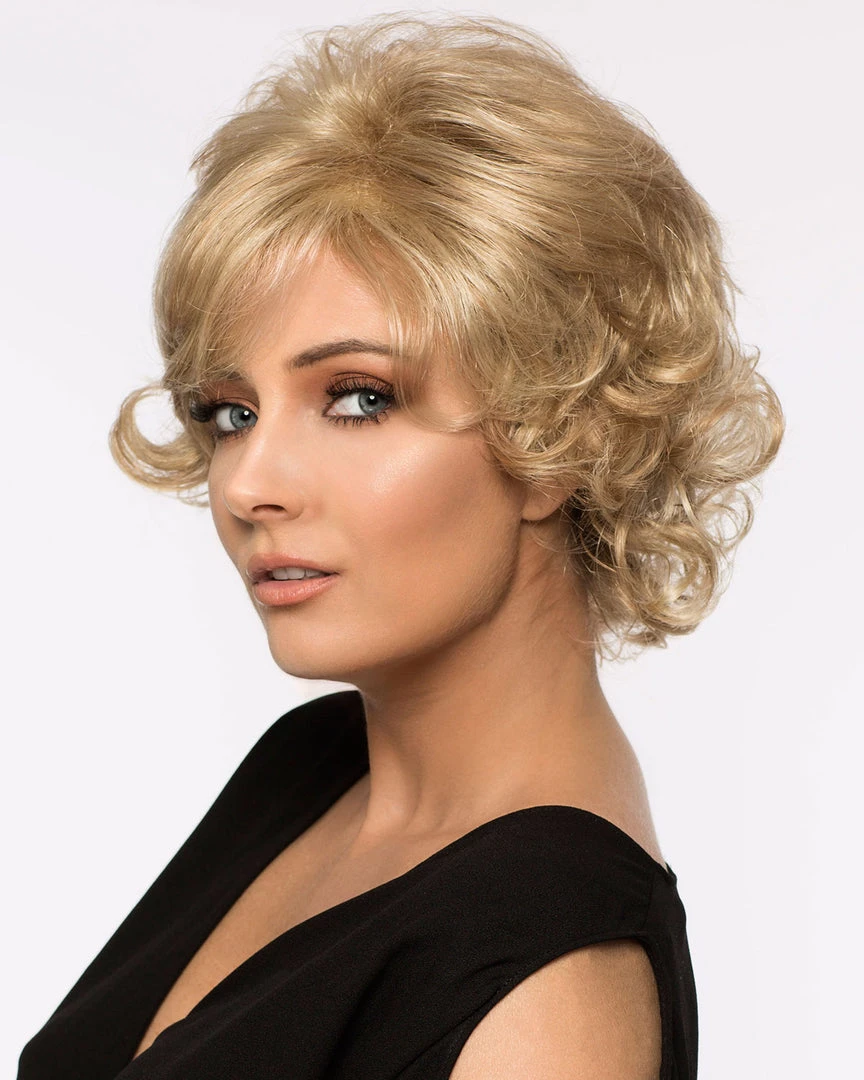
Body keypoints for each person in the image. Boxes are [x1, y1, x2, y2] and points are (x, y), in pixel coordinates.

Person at [17, 12, 783, 1080]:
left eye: (358, 398)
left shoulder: (548, 992)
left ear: (563, 433)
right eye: (232, 411)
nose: (246, 483)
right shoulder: (316, 765)